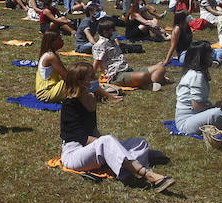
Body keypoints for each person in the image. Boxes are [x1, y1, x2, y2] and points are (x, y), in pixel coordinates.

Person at [59, 63, 174, 191]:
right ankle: (148, 174)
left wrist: (113, 148)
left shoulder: (91, 98)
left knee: (140, 143)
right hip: (74, 152)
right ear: (80, 82)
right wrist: (110, 146)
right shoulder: (70, 105)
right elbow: (81, 138)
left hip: (92, 148)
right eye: (91, 77)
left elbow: (94, 130)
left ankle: (122, 168)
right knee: (108, 141)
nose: (95, 79)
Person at [174, 43, 222, 147]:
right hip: (186, 121)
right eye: (209, 57)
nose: (211, 59)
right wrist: (215, 106)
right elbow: (196, 106)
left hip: (198, 115)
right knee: (216, 113)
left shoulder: (197, 73)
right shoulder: (196, 76)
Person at [91, 17, 167, 91]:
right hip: (116, 75)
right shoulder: (99, 45)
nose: (115, 31)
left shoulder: (112, 40)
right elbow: (96, 63)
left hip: (127, 69)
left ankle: (146, 83)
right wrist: (91, 79)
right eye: (113, 30)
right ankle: (149, 82)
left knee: (160, 68)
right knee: (143, 75)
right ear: (105, 32)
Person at [34, 30, 79, 103]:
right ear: (52, 42)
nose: (62, 41)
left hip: (46, 90)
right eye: (59, 39)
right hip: (46, 93)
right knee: (79, 78)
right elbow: (66, 76)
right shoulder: (51, 57)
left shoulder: (47, 54)